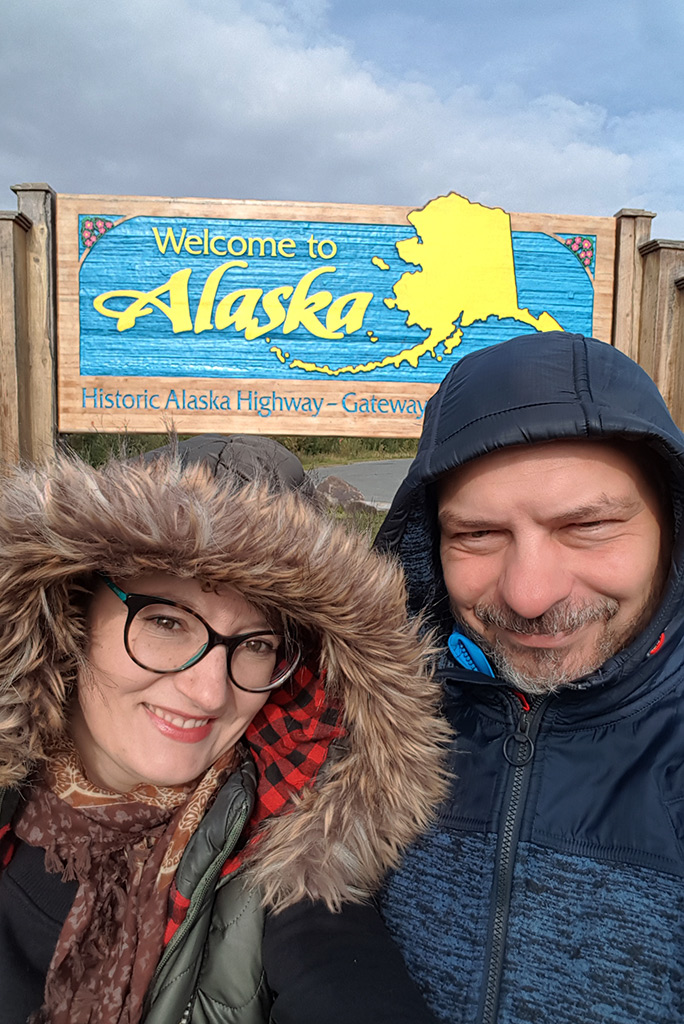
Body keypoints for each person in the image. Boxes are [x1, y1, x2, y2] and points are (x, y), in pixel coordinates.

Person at [0, 444, 449, 1024]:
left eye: (258, 645)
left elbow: (338, 974)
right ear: (74, 610)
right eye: (166, 622)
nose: (210, 692)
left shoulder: (286, 851)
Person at [371, 330, 684, 1024]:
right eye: (477, 535)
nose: (529, 594)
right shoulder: (373, 711)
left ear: (671, 524)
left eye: (589, 525)